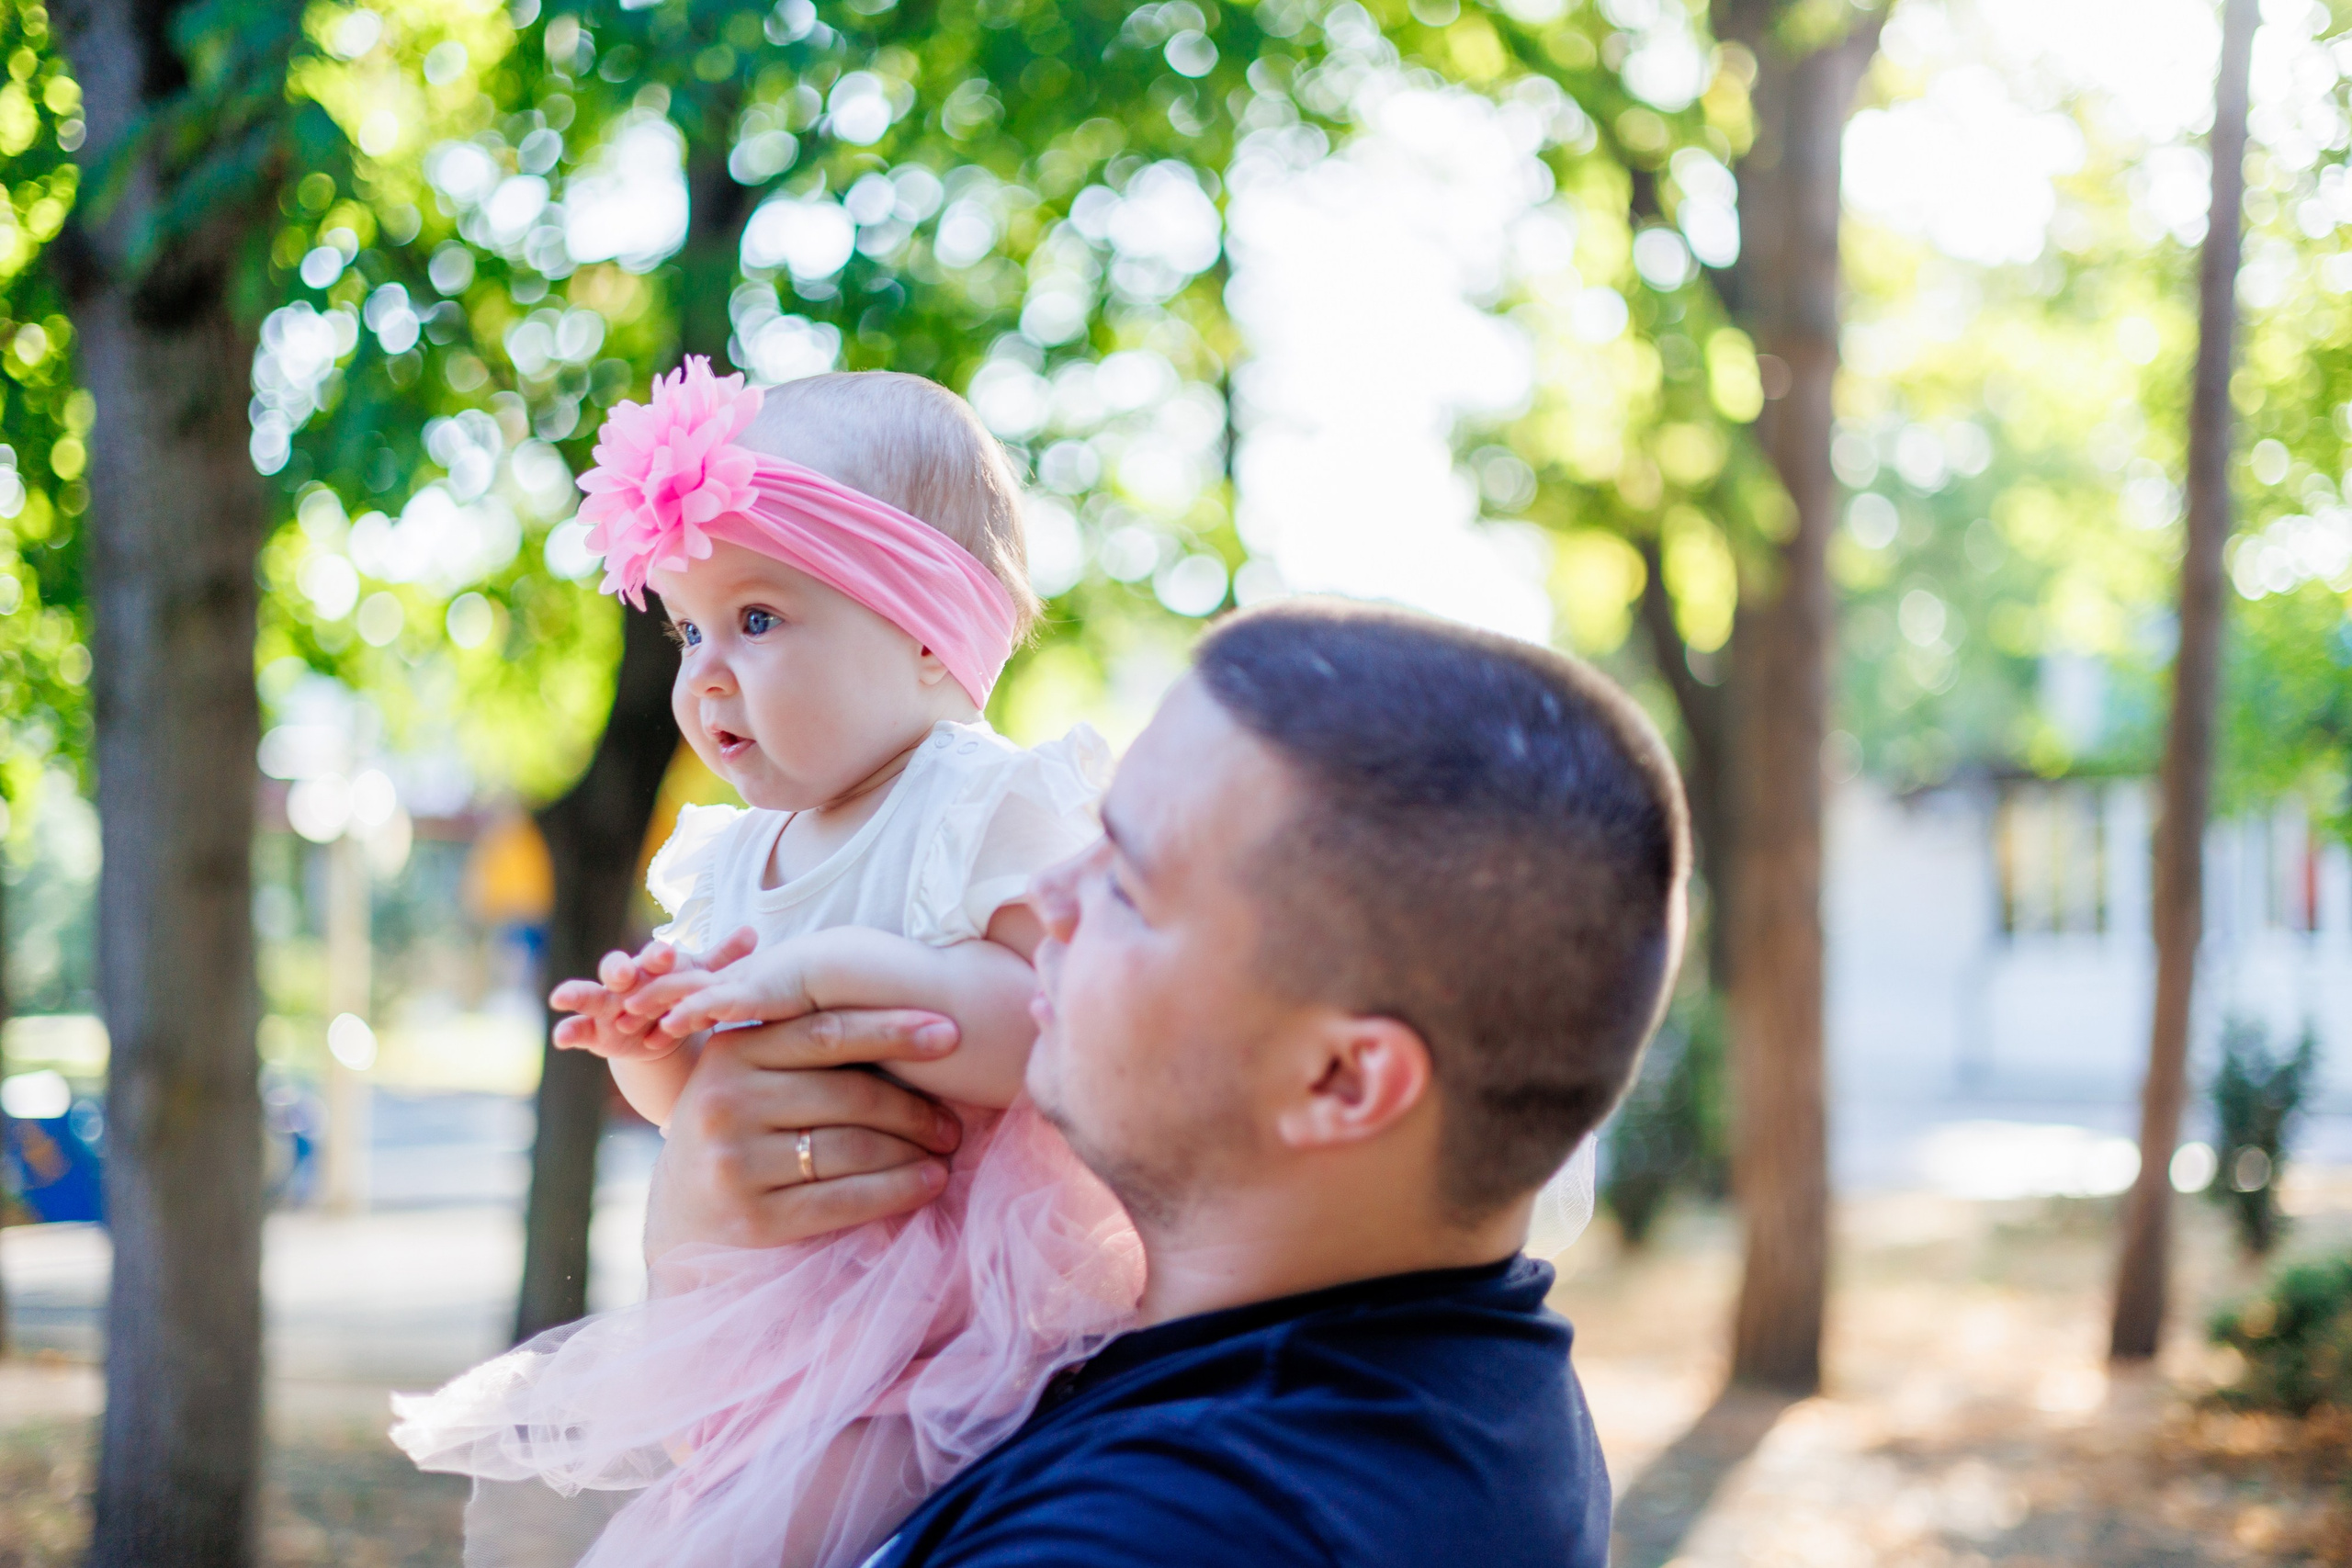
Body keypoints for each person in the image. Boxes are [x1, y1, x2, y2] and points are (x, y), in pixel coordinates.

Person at [646, 598, 1691, 1567]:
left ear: (1339, 1079)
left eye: (1129, 883)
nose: (1052, 892)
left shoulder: (1157, 1533)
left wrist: (683, 1234)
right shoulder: (1443, 1369)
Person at [391, 358, 1145, 1568]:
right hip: (786, 1324)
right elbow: (709, 1105)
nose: (705, 673)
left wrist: (836, 970)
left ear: (925, 634)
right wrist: (655, 1046)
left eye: (756, 619)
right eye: (689, 628)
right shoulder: (733, 858)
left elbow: (1055, 1033)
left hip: (961, 1316)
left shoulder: (979, 801)